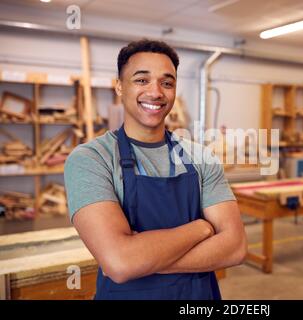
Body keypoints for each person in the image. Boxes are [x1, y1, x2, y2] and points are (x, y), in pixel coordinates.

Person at [64, 39, 247, 300]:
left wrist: (141, 259)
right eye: (141, 80)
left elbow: (235, 248)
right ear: (119, 86)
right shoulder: (91, 159)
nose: (156, 92)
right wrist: (201, 229)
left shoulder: (201, 157)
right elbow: (120, 263)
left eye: (167, 82)